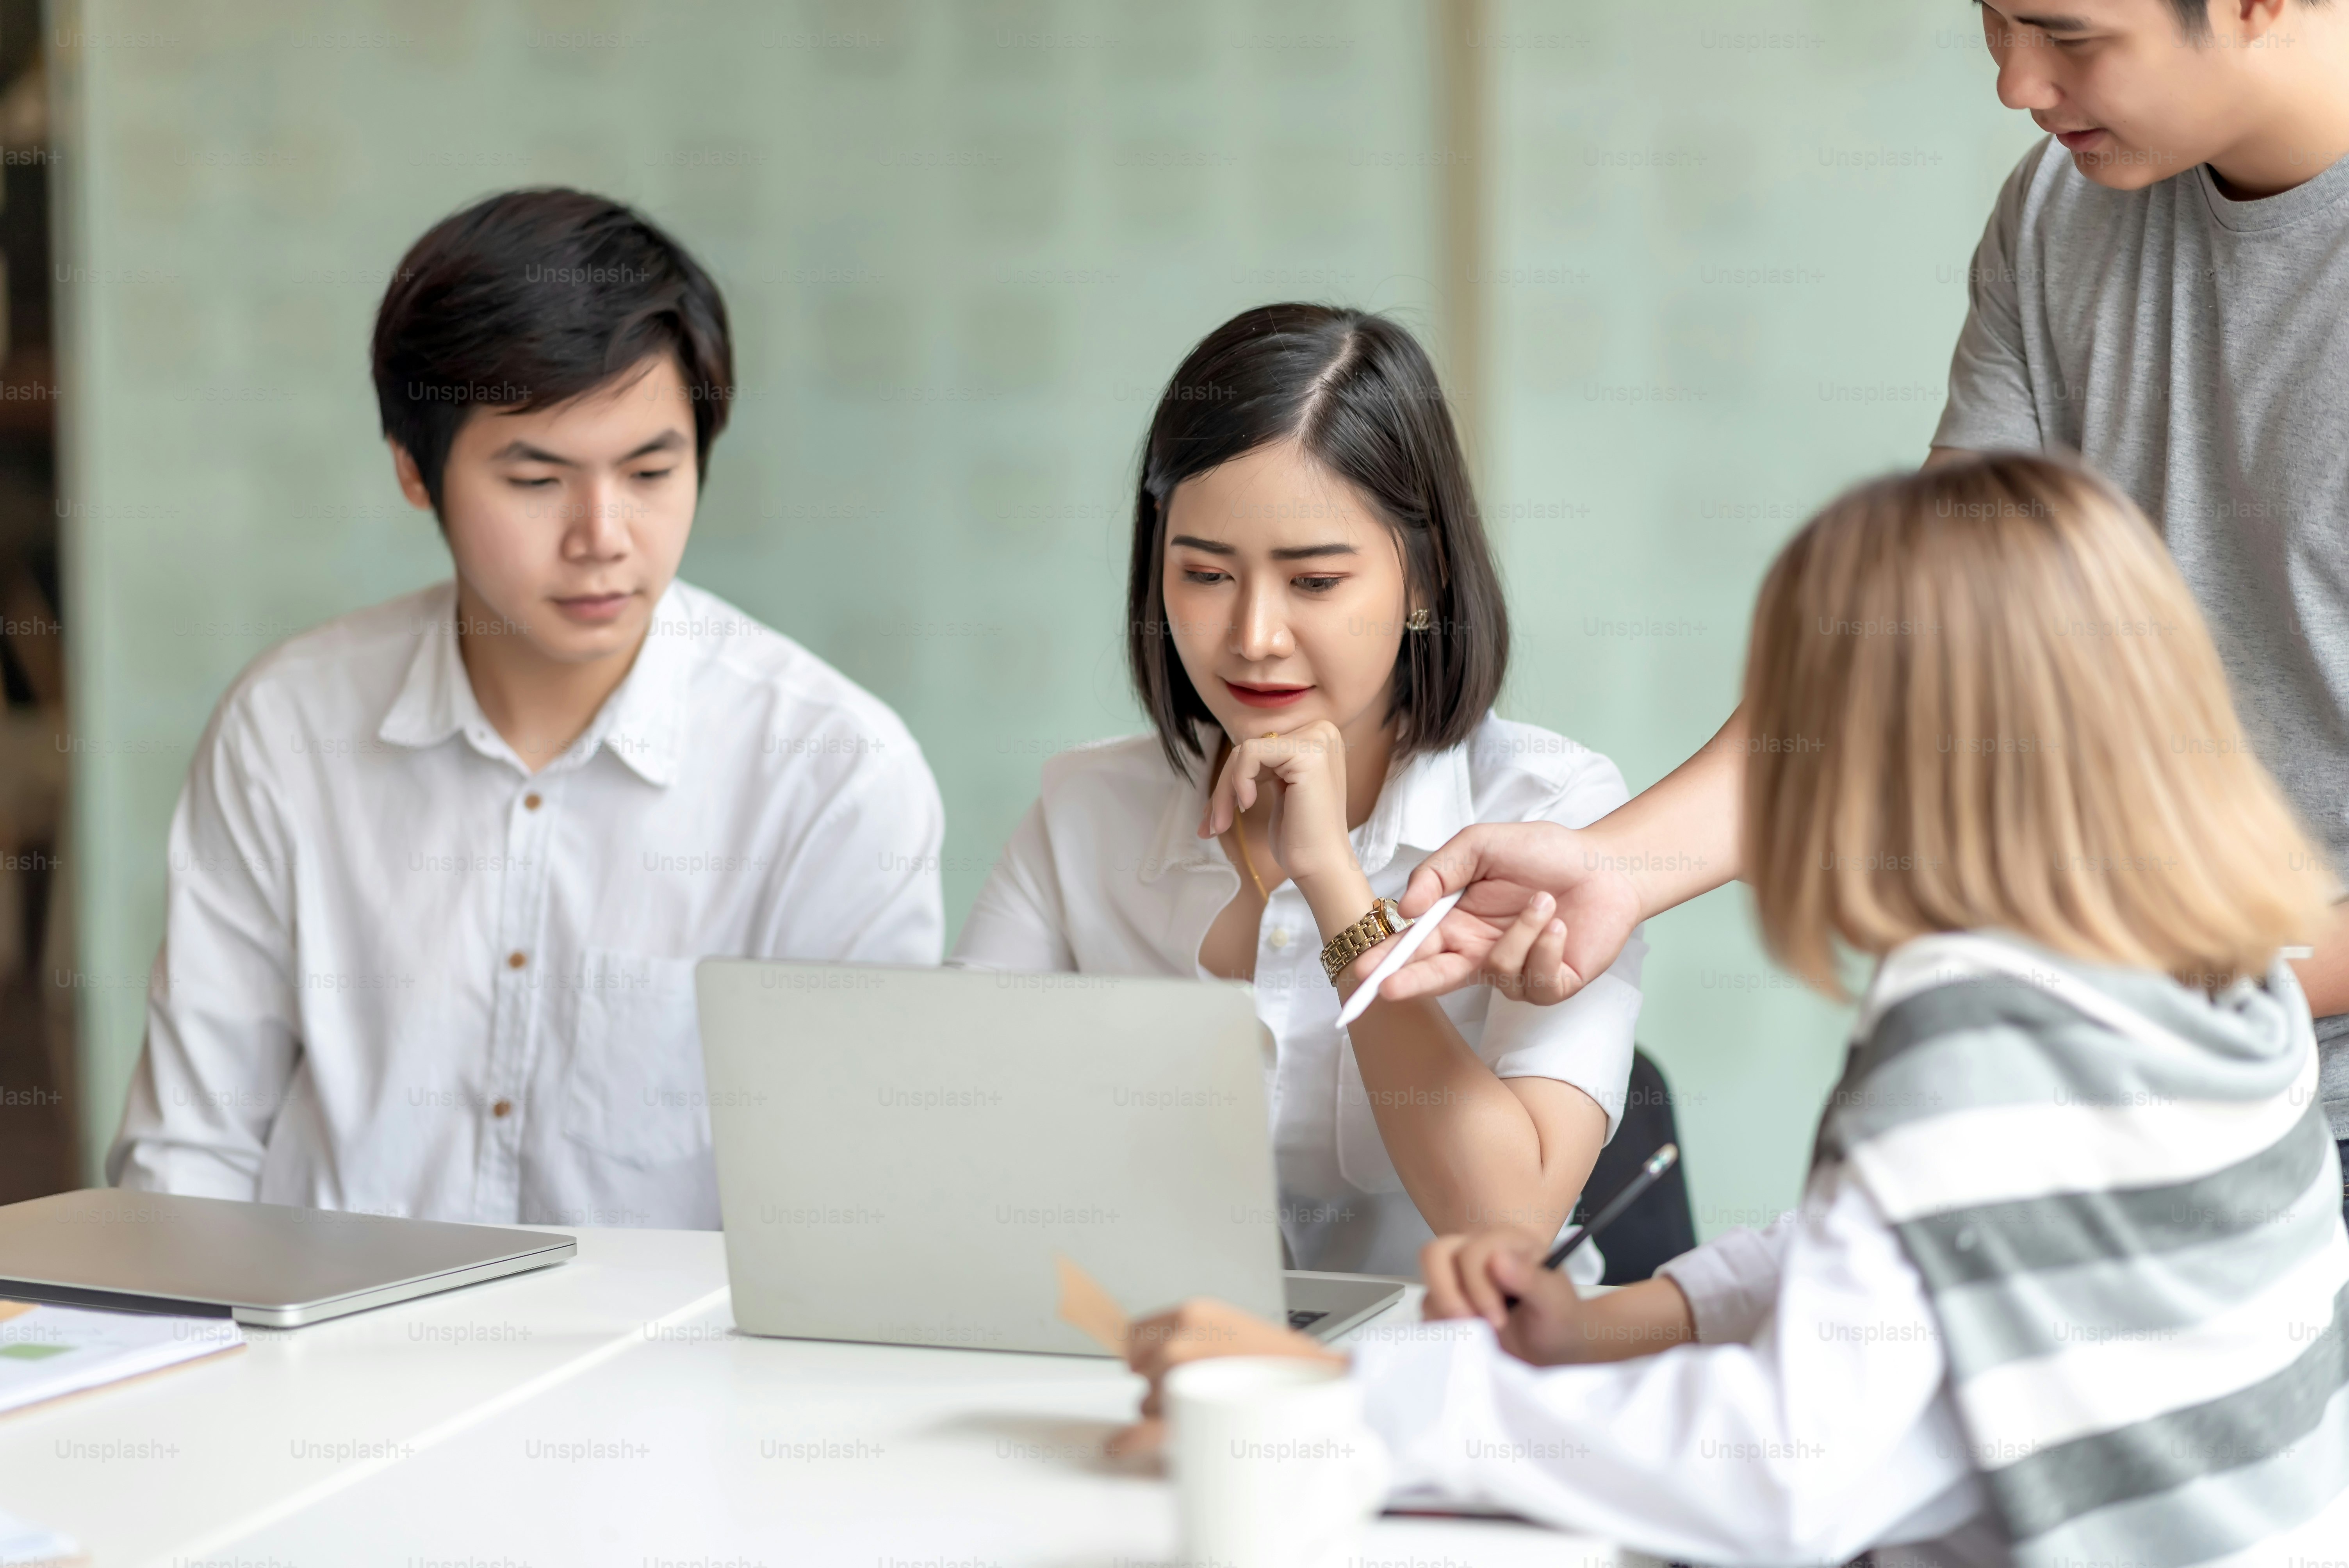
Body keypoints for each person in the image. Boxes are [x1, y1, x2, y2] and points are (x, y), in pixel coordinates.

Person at [1122, 454, 2349, 1564]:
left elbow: (1782, 1471)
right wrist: (1603, 1327)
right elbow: (1898, 1254)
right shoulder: (2219, 976)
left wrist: (1354, 1402)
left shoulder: (1981, 1032)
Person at [1376, 0, 2349, 1216]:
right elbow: (1919, 639)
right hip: (2107, 1099)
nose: (2017, 84)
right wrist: (1614, 868)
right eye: (1992, 23)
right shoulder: (2060, 213)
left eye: (2069, 36)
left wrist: (2140, 979)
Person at [107, 189, 945, 1229]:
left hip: (674, 1385)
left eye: (650, 470)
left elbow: (856, 1211)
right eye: (536, 478)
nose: (603, 534)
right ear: (417, 472)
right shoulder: (289, 729)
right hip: (322, 1367)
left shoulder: (830, 771)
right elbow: (192, 1145)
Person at [952, 304, 1643, 1279]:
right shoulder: (1082, 813)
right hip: (1164, 1374)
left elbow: (1506, 1229)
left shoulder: (1552, 811)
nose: (1253, 635)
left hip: (1459, 1391)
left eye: (1313, 581)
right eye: (1202, 573)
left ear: (1424, 581)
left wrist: (1332, 887)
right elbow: (954, 1145)